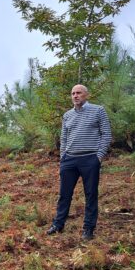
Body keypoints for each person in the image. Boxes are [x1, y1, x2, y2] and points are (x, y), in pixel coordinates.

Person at [46, 84, 112, 240]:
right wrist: (63, 157)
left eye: (79, 93)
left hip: (90, 159)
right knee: (64, 194)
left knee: (90, 194)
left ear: (86, 95)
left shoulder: (98, 110)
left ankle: (88, 229)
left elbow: (107, 134)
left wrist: (99, 156)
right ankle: (58, 224)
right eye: (73, 93)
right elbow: (63, 138)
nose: (75, 96)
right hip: (69, 160)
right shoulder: (67, 115)